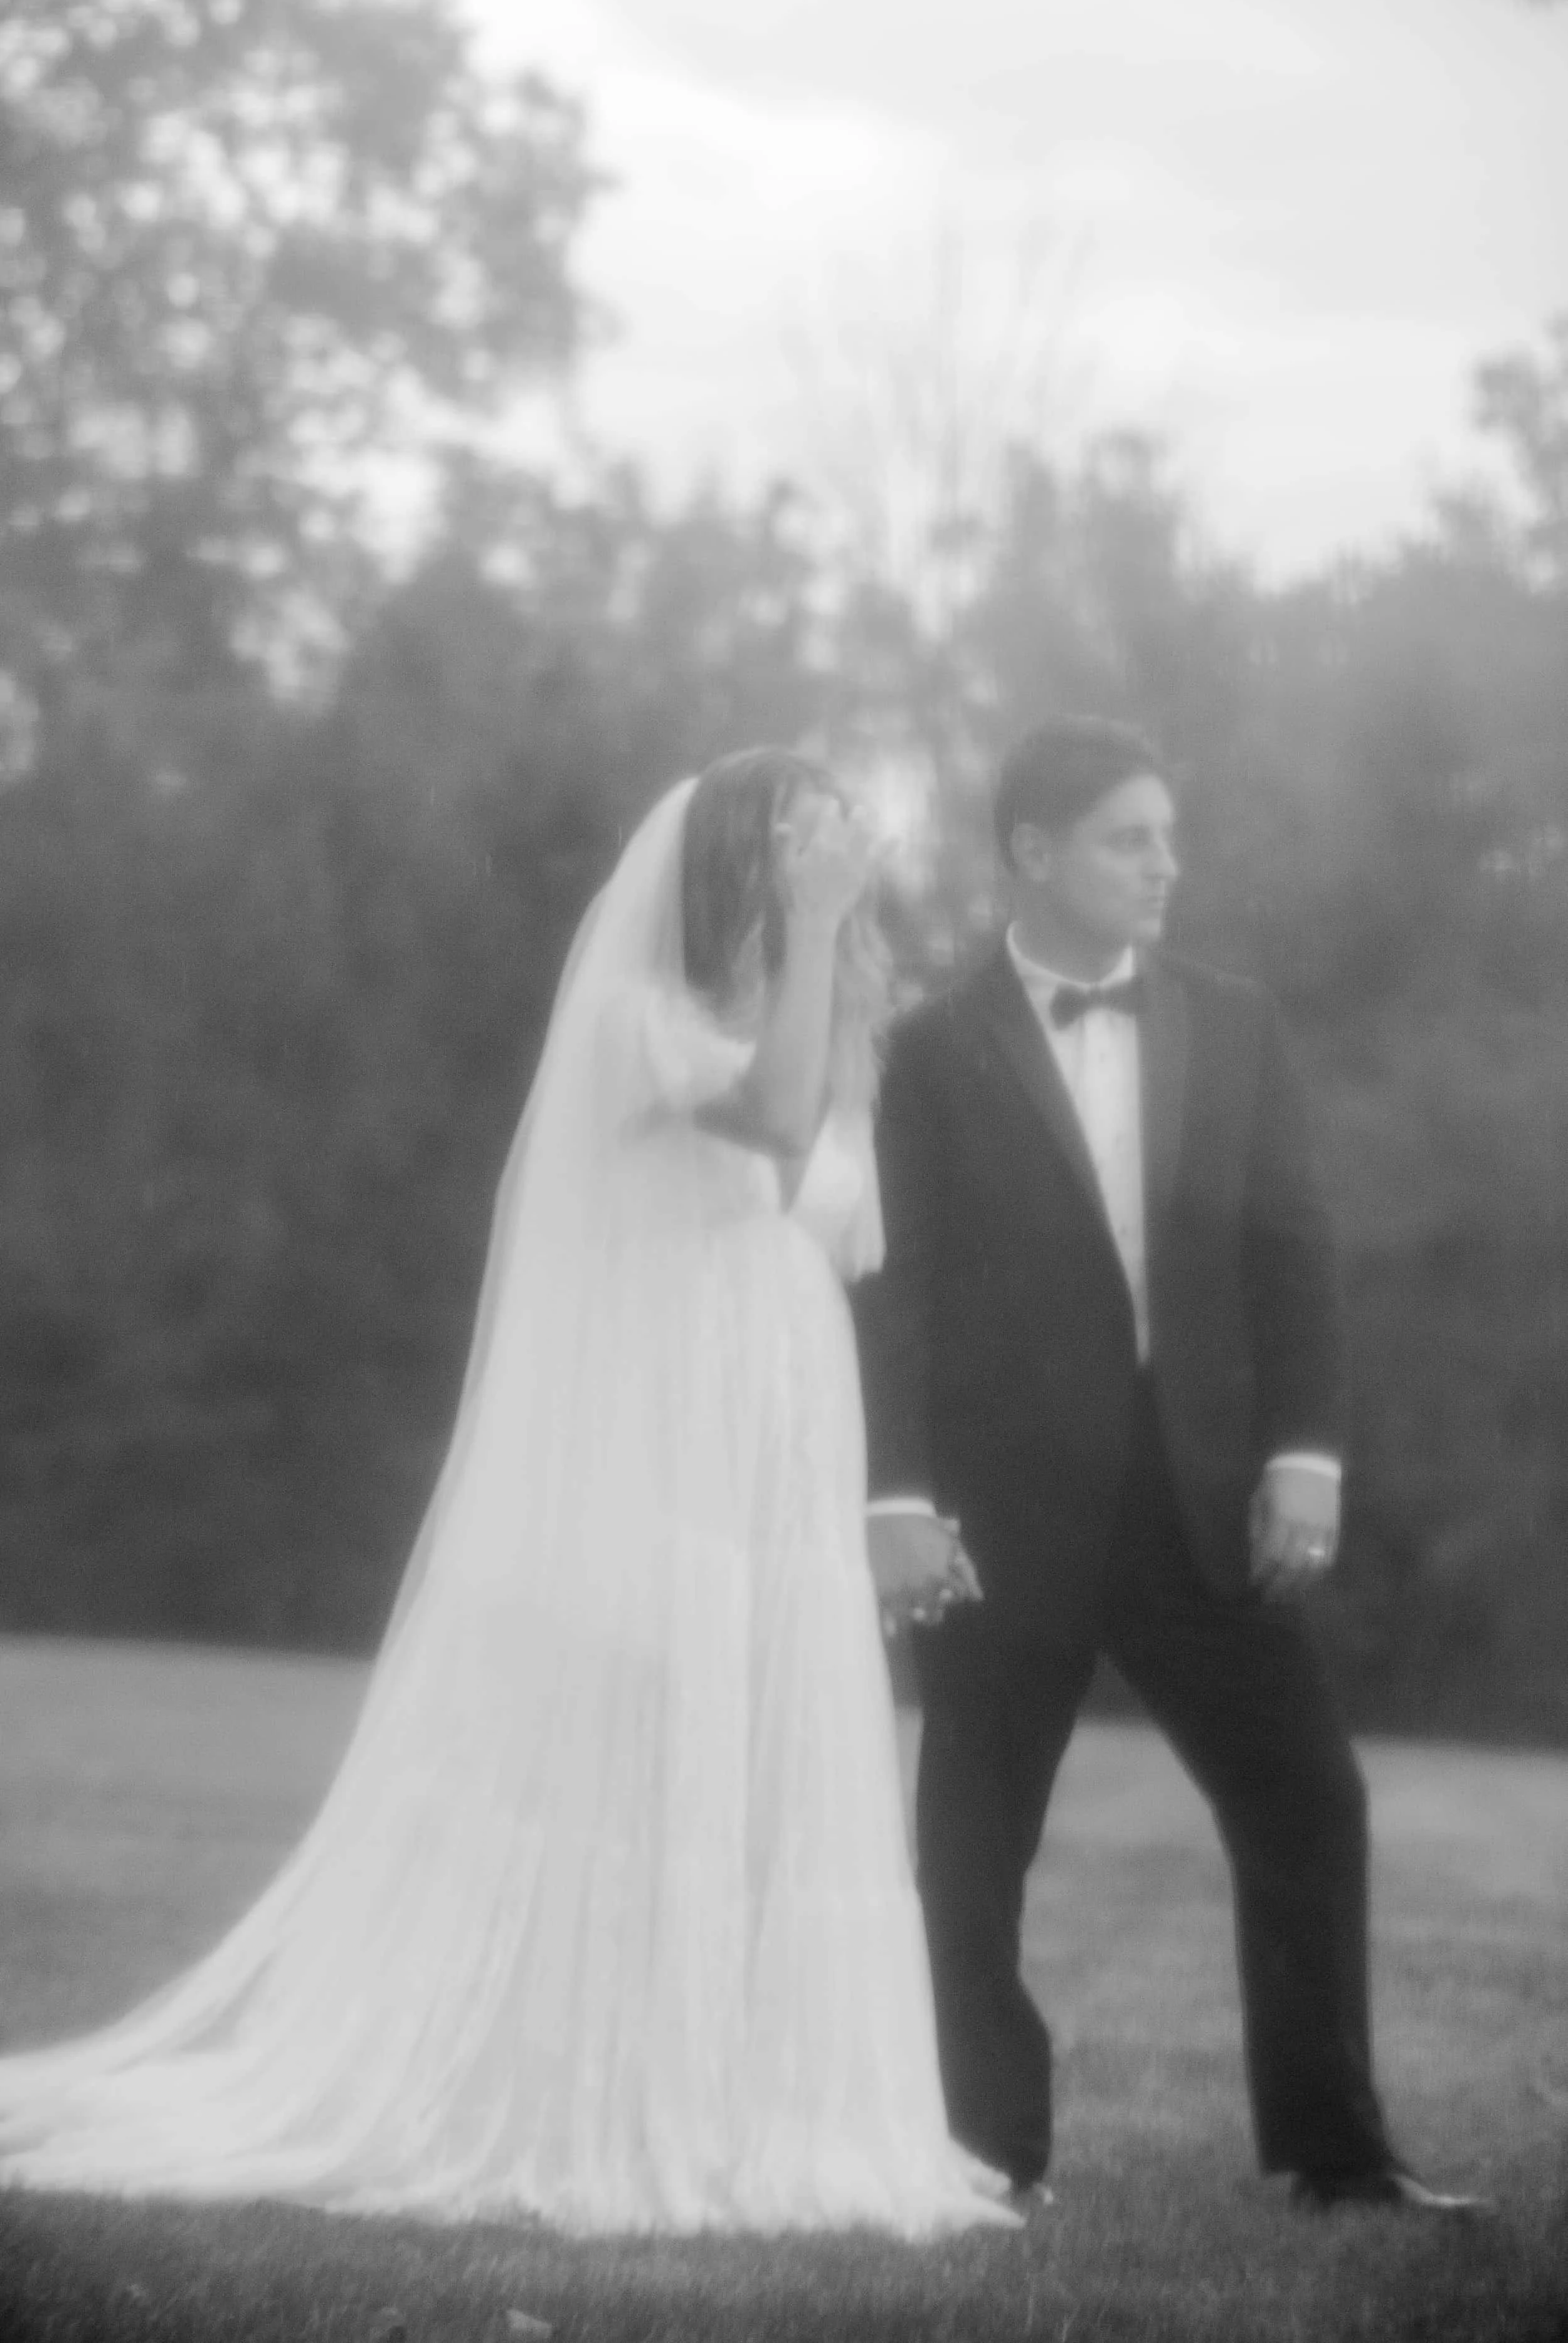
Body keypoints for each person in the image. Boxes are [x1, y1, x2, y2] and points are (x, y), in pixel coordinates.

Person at [0, 749, 1011, 2238]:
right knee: (646, 1765)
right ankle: (602, 2095)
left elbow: (840, 1232)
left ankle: (752, 2107)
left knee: (756, 1768)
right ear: (749, 863)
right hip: (664, 1423)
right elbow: (781, 1125)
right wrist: (810, 932)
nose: (839, 884)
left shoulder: (824, 1028)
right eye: (810, 854)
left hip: (781, 1433)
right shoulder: (633, 1019)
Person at [854, 715, 1478, 2215]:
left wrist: (1305, 1455)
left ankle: (1338, 2155)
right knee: (972, 1838)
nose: (1161, 866)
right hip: (1002, 1517)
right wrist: (896, 1497)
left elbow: (1293, 1256)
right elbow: (899, 1291)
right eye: (1128, 838)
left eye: (1165, 837)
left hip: (1205, 1502)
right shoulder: (930, 1050)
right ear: (1031, 853)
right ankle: (987, 2153)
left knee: (1308, 1801)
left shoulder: (1233, 1021)